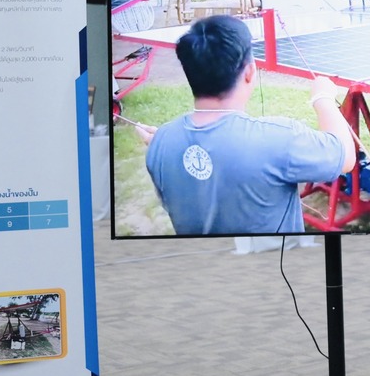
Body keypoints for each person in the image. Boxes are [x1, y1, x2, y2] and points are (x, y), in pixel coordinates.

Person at [145, 15, 356, 235]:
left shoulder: (160, 143)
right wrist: (323, 99)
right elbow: (345, 157)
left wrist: (165, 140)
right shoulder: (279, 139)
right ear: (249, 72)